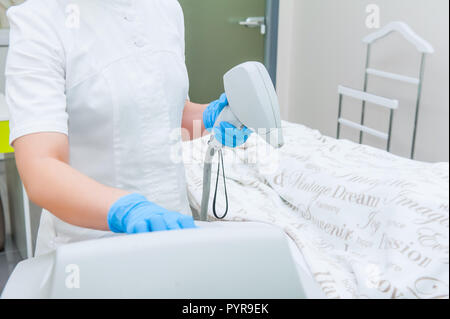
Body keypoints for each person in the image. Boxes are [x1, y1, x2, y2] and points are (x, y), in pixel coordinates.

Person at [5, 0, 250, 255]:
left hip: (174, 226)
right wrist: (125, 209)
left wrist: (213, 117)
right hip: (90, 245)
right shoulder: (40, 21)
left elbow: (163, 114)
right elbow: (41, 166)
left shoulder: (166, 9)